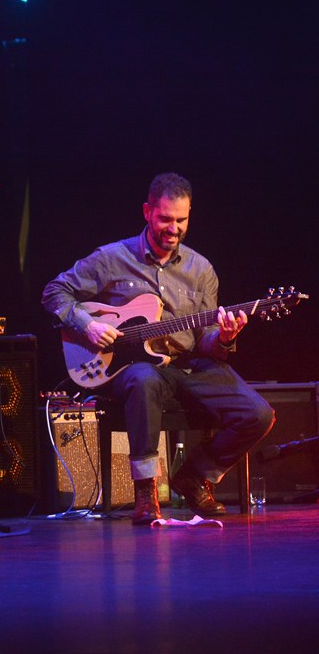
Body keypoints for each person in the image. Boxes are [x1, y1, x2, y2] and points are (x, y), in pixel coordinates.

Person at [41, 172, 274, 525]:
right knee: (144, 379)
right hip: (131, 366)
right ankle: (146, 492)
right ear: (147, 212)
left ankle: (194, 476)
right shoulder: (112, 258)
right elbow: (54, 292)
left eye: (182, 220)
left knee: (259, 414)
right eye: (165, 218)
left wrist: (225, 337)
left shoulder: (201, 269)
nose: (174, 229)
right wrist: (88, 325)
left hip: (190, 364)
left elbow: (208, 340)